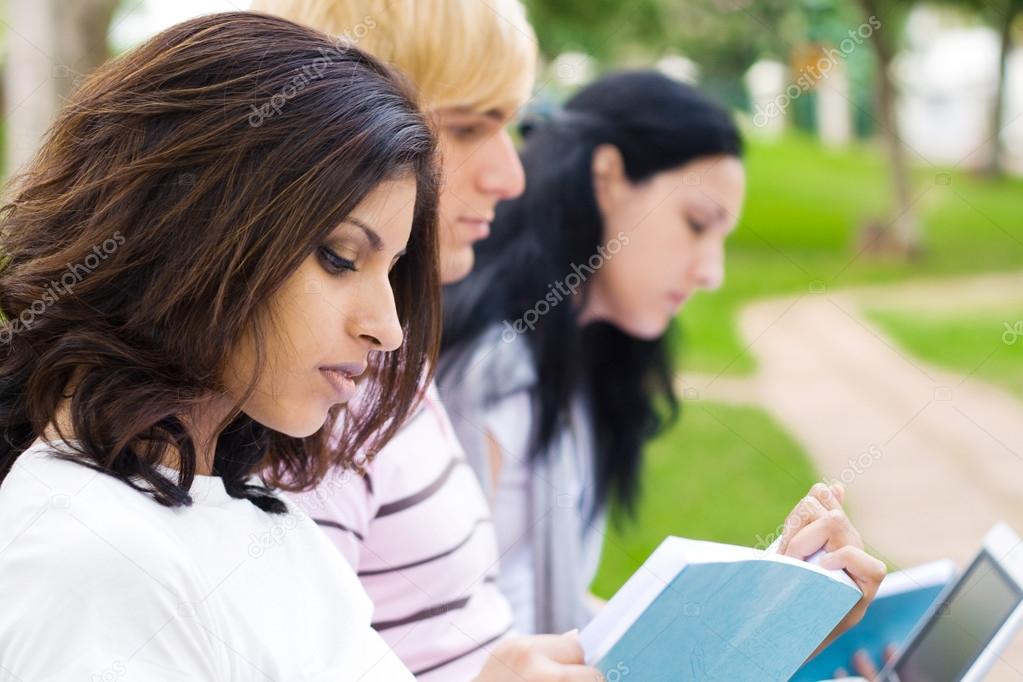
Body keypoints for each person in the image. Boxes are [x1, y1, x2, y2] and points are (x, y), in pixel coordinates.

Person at [0, 12, 567, 681]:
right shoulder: (94, 558)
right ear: (189, 233)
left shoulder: (263, 522)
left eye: (390, 270)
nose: (386, 328)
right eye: (338, 258)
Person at [439, 70, 886, 645]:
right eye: (697, 224)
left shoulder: (585, 370)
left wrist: (777, 618)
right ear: (606, 177)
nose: (711, 271)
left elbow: (564, 621)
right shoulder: (484, 379)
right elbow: (448, 645)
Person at [249, 2, 599, 680]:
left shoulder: (383, 356)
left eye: (512, 126)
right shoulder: (314, 389)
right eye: (467, 127)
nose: (511, 176)